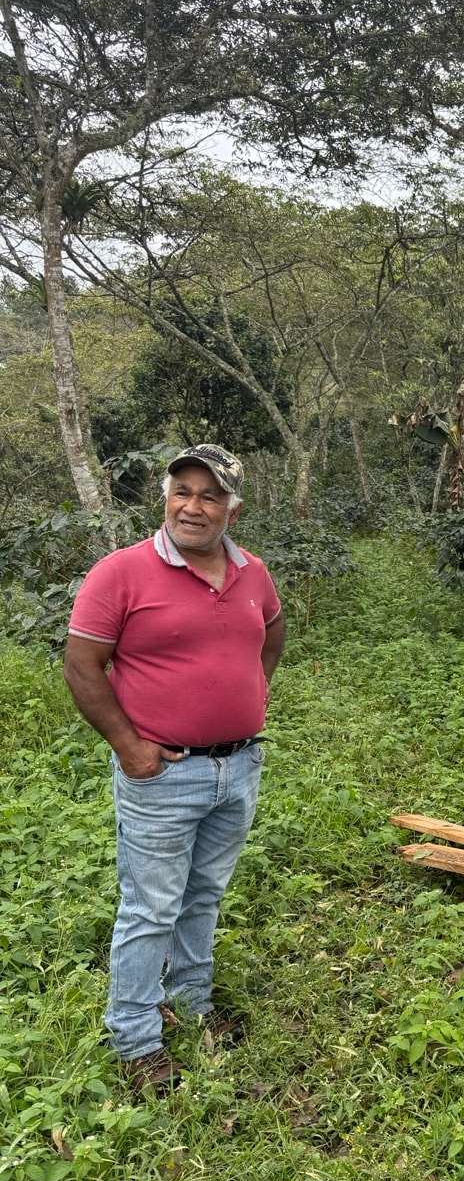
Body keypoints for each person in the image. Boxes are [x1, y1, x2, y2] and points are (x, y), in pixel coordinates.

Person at [64, 444, 285, 1093]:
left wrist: (248, 699)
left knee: (203, 897)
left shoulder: (253, 574)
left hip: (237, 769)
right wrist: (129, 746)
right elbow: (82, 666)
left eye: (210, 495)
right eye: (182, 491)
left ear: (233, 510)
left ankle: (191, 1002)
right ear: (165, 500)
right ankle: (136, 1039)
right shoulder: (121, 573)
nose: (194, 506)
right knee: (151, 907)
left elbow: (271, 637)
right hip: (162, 775)